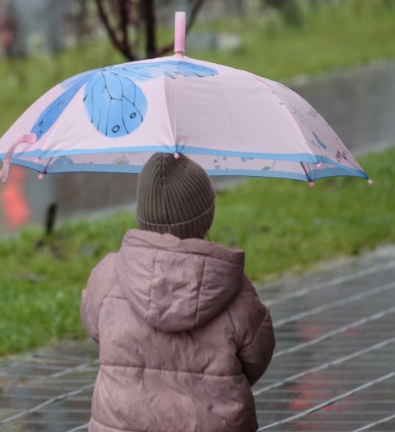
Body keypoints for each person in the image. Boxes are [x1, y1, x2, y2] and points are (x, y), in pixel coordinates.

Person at [80, 152, 275, 432]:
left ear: (142, 213)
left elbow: (95, 327)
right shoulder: (232, 286)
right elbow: (258, 355)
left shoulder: (108, 275)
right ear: (206, 216)